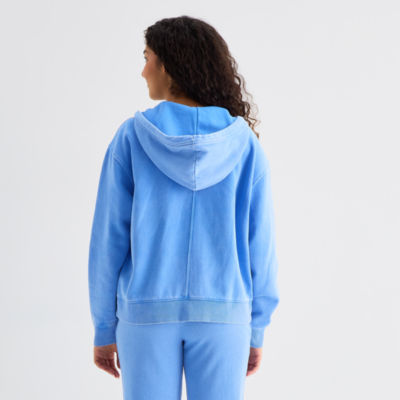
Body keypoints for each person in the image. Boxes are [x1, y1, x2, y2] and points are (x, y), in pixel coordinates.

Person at [88, 15, 280, 400]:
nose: (143, 71)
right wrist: (256, 327)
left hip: (145, 314)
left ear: (168, 65)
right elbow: (261, 243)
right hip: (224, 315)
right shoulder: (243, 144)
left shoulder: (131, 138)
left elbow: (109, 240)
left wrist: (104, 326)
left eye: (147, 58)